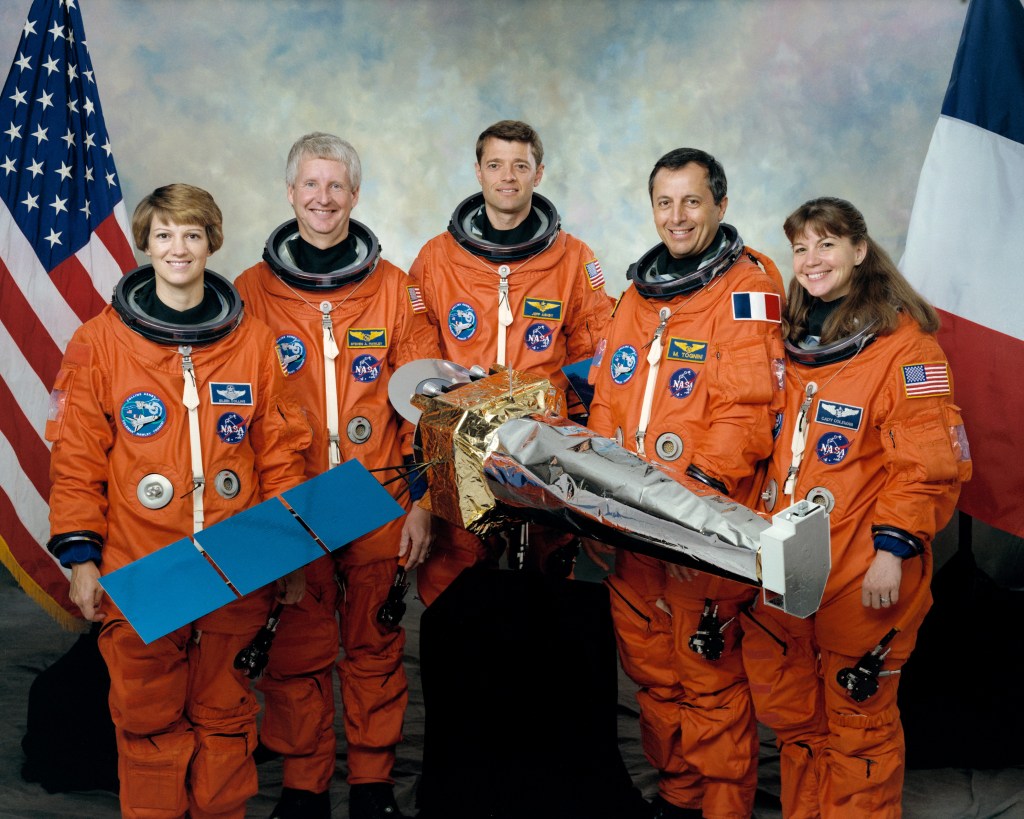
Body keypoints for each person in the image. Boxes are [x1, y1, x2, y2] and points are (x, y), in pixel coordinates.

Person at [45, 183, 310, 819]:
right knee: (147, 719)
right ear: (145, 244)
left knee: (224, 717)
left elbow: (278, 455)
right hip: (141, 563)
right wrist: (82, 558)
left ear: (212, 243)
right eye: (164, 235)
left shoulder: (253, 342)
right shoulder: (100, 342)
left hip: (233, 563)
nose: (178, 248)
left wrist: (291, 552)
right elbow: (77, 459)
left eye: (191, 235)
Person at [740, 197, 971, 817]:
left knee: (858, 728)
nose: (812, 261)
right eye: (801, 248)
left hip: (861, 566)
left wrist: (892, 552)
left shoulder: (905, 348)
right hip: (787, 566)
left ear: (859, 251)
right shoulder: (784, 338)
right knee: (797, 721)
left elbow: (927, 466)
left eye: (827, 244)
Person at [235, 132, 440, 819]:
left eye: (336, 186)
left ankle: (374, 785)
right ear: (290, 193)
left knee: (374, 644)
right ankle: (303, 787)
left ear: (355, 195)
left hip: (377, 493)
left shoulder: (394, 287)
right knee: (295, 648)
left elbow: (426, 404)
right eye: (310, 185)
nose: (323, 198)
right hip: (294, 497)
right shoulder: (250, 292)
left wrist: (423, 500)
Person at [585, 148, 786, 819]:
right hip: (631, 520)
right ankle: (677, 796)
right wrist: (595, 497)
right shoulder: (639, 298)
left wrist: (689, 498)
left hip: (700, 523)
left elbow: (748, 410)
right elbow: (608, 402)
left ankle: (724, 807)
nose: (677, 217)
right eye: (665, 202)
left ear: (720, 205)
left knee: (708, 675)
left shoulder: (749, 287)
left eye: (692, 201)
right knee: (651, 672)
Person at [408, 119, 614, 605]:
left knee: (545, 583)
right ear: (478, 172)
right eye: (495, 165)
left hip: (542, 444)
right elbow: (418, 361)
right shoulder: (437, 259)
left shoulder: (573, 259)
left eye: (520, 166)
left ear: (538, 174)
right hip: (460, 441)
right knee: (454, 578)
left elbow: (593, 362)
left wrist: (587, 451)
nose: (507, 177)